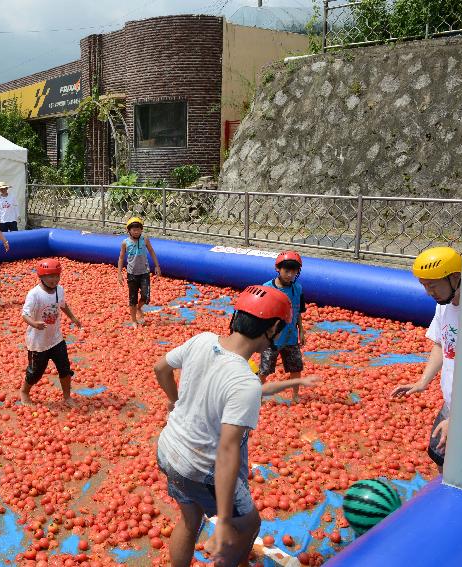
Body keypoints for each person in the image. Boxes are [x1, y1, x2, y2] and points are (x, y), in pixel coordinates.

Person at [154, 285, 320, 567]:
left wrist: (175, 400)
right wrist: (224, 521)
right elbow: (228, 450)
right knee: (249, 523)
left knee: (191, 518)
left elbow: (160, 368)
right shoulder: (244, 381)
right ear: (274, 328)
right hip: (199, 465)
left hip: (168, 450)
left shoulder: (203, 341)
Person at [391, 246, 462, 472]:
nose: (428, 292)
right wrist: (422, 382)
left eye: (432, 285)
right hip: (453, 401)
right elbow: (441, 345)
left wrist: (461, 418)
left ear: (455, 278)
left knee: (461, 467)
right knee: (439, 456)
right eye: (424, 285)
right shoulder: (444, 306)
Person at [20, 259, 82, 407]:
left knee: (65, 369)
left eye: (56, 276)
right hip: (38, 343)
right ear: (41, 276)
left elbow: (62, 304)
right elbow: (25, 314)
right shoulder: (34, 294)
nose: (54, 280)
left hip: (56, 339)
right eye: (50, 276)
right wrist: (34, 323)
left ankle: (67, 397)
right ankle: (24, 391)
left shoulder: (59, 290)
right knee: (36, 372)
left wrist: (72, 317)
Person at [258, 251, 307, 400]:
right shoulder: (267, 288)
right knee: (265, 369)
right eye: (287, 271)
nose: (290, 275)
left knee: (296, 367)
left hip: (291, 336)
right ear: (278, 269)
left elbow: (298, 310)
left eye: (294, 271)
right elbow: (259, 312)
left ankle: (295, 395)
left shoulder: (297, 289)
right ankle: (257, 395)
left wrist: (301, 331)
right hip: (271, 339)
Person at [117, 217, 161, 326]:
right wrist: (119, 274)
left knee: (146, 296)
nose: (136, 232)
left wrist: (157, 266)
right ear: (129, 231)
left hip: (144, 273)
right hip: (132, 274)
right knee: (132, 298)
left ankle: (138, 308)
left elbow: (151, 251)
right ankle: (133, 320)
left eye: (138, 229)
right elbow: (121, 258)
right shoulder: (125, 243)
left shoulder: (145, 240)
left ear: (141, 230)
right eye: (133, 230)